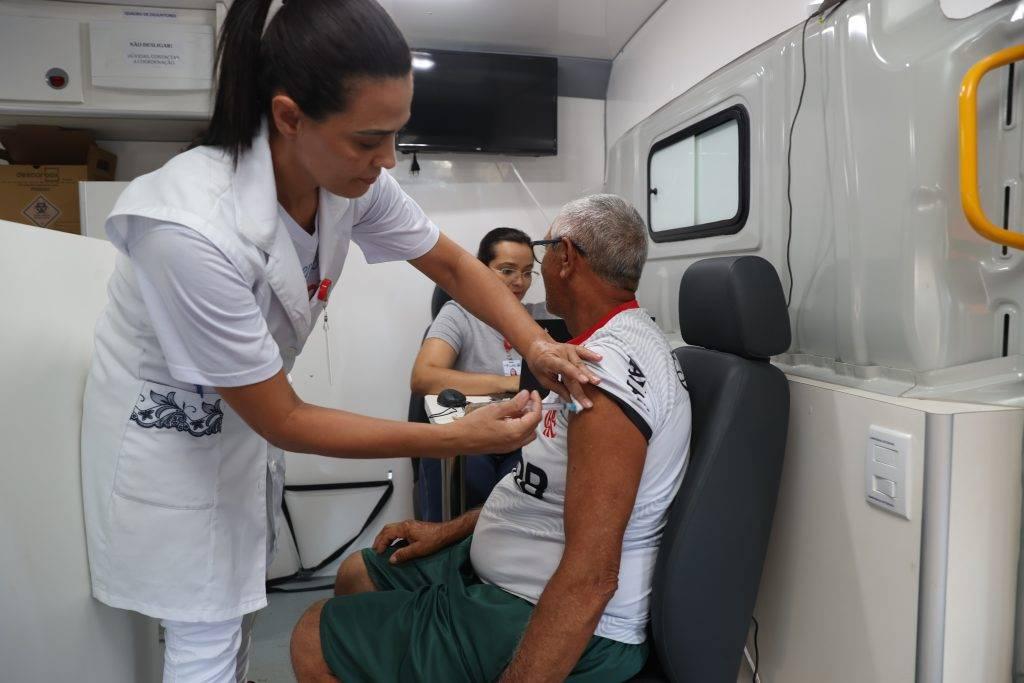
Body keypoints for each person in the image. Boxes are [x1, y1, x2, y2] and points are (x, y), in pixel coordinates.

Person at [79, 2, 600, 681]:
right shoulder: (188, 229)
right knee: (204, 636)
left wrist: (536, 345)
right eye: (369, 139)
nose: (388, 160)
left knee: (233, 617)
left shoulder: (347, 182)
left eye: (396, 133)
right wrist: (457, 437)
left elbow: (450, 264)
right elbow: (284, 417)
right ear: (290, 117)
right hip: (173, 449)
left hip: (240, 437)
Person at [290, 194, 692, 683]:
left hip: (542, 606)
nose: (526, 279)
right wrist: (449, 530)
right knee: (357, 575)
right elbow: (545, 492)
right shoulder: (590, 349)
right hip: (509, 566)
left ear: (565, 257)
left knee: (312, 635)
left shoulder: (600, 375)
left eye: (539, 256)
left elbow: (591, 578)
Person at [411, 226, 552, 519]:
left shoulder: (537, 319)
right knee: (472, 481)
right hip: (474, 434)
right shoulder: (459, 313)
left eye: (527, 272)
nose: (520, 282)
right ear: (481, 271)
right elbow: (423, 377)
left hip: (522, 434)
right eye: (507, 271)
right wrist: (509, 383)